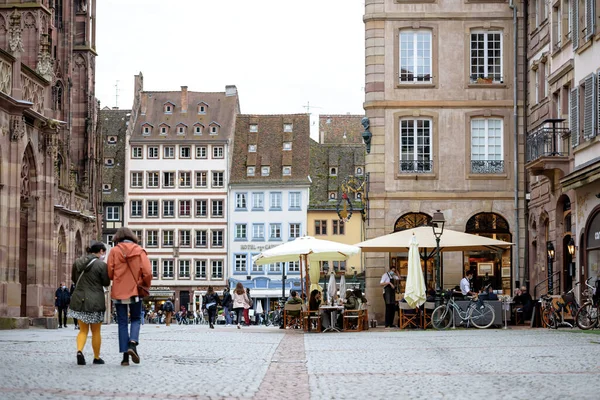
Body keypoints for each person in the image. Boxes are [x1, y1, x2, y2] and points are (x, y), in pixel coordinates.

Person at [107, 227, 152, 367]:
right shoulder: (139, 251)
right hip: (135, 290)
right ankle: (133, 343)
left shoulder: (114, 251)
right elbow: (148, 272)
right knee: (136, 318)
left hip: (119, 290)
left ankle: (125, 357)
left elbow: (109, 272)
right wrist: (144, 284)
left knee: (121, 322)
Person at [68, 241, 110, 365]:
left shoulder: (77, 262)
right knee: (96, 331)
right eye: (104, 252)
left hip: (80, 300)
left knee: (82, 330)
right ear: (101, 251)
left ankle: (79, 351)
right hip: (95, 301)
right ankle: (96, 357)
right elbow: (106, 282)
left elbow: (74, 279)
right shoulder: (101, 265)